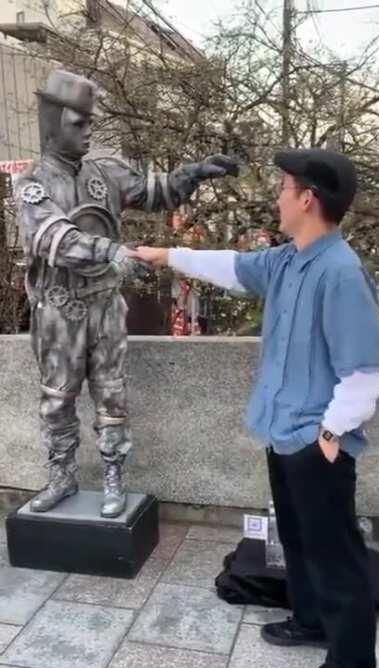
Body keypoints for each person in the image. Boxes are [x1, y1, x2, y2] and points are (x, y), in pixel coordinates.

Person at [133, 147, 379, 668]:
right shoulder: (289, 260)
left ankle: (351, 665)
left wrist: (329, 435)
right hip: (280, 429)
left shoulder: (341, 273)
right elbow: (231, 266)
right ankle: (311, 619)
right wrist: (164, 254)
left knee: (334, 550)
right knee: (297, 538)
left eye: (283, 188)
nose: (277, 196)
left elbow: (365, 373)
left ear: (308, 199)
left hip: (316, 440)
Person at [15, 68, 238, 518]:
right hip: (60, 309)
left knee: (112, 395)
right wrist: (111, 249)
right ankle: (61, 477)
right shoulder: (32, 183)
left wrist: (193, 174)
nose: (87, 130)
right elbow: (55, 240)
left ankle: (115, 475)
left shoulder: (106, 172)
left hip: (105, 306)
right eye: (78, 123)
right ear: (53, 123)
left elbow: (156, 194)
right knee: (58, 399)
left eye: (89, 122)